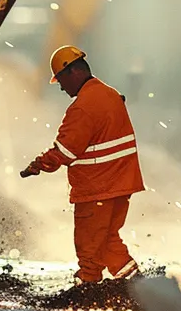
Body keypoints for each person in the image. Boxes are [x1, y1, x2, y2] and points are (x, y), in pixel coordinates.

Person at [20, 45, 144, 283]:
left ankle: (87, 290)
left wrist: (38, 164)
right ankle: (135, 285)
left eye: (62, 82)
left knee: (89, 247)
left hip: (98, 188)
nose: (62, 88)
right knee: (108, 239)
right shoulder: (109, 94)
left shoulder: (83, 107)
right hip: (121, 184)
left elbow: (66, 150)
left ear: (73, 73)